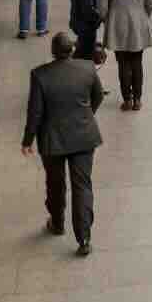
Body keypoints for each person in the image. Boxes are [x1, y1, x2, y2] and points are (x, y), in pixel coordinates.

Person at [21, 31, 104, 257]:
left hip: (52, 139)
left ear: (53, 52)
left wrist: (27, 140)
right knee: (82, 186)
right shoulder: (87, 68)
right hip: (84, 136)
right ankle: (84, 238)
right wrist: (87, 116)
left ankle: (57, 223)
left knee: (55, 184)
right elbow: (98, 96)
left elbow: (35, 112)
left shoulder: (40, 75)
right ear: (72, 49)